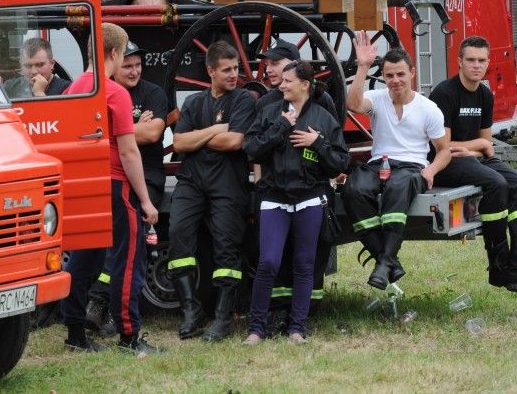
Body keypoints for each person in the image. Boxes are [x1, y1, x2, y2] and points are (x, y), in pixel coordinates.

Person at [61, 23, 160, 355]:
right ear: (115, 53)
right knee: (128, 259)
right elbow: (129, 151)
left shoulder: (73, 89)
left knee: (81, 258)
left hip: (84, 184)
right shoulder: (115, 92)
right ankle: (130, 337)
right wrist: (145, 201)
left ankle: (75, 334)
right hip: (116, 185)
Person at [429, 36, 517, 293]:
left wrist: (472, 147)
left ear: (488, 63)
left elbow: (487, 143)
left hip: (473, 157)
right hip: (446, 162)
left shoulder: (485, 95)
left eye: (481, 60)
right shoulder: (444, 93)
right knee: (495, 183)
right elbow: (443, 146)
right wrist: (475, 146)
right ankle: (499, 267)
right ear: (459, 62)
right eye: (470, 60)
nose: (476, 65)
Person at [243, 61, 349, 344]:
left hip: (310, 199)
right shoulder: (269, 112)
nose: (282, 85)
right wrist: (280, 127)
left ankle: (297, 329)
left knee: (304, 264)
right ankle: (256, 329)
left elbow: (340, 162)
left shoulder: (324, 119)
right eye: (282, 81)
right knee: (267, 262)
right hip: (274, 198)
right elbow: (251, 149)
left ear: (305, 84)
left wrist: (318, 143)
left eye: (288, 81)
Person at [344, 33, 451, 289]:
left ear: (412, 73)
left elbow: (444, 150)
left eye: (400, 74)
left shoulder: (429, 108)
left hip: (412, 167)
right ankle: (388, 260)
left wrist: (431, 169)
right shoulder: (378, 99)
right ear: (383, 77)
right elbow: (353, 102)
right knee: (353, 190)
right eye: (389, 75)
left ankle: (383, 263)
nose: (395, 81)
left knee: (397, 187)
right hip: (379, 163)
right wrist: (362, 67)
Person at [168, 41, 257, 341]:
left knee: (226, 249)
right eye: (227, 70)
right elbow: (178, 144)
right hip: (191, 181)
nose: (234, 75)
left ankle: (222, 319)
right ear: (210, 71)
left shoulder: (244, 100)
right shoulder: (194, 102)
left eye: (235, 68)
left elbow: (235, 142)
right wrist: (216, 130)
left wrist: (197, 136)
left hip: (227, 183)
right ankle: (191, 312)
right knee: (179, 235)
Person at [84, 40, 169, 337]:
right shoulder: (107, 91)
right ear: (115, 61)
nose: (134, 71)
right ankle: (102, 308)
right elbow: (130, 136)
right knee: (110, 247)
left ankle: (102, 307)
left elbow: (153, 133)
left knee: (127, 248)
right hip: (115, 177)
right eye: (128, 65)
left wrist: (118, 129)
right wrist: (134, 125)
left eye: (138, 65)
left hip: (147, 178)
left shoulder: (154, 93)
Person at [3, 37, 70, 98]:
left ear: (52, 64)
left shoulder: (67, 89)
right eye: (27, 66)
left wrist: (39, 93)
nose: (33, 71)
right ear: (21, 65)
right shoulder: (10, 87)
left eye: (40, 65)